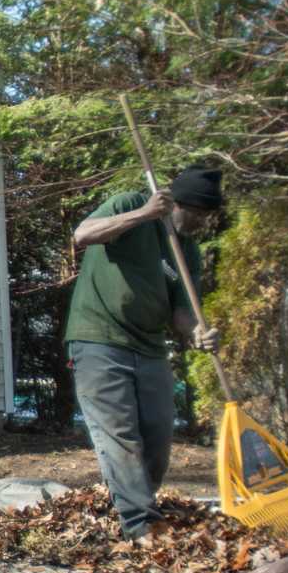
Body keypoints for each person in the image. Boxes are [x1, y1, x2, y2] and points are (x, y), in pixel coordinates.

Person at [63, 166, 225, 539]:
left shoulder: (186, 251)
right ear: (176, 204)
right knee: (121, 436)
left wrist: (197, 333)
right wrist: (144, 214)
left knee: (156, 440)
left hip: (150, 347)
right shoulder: (132, 204)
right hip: (98, 339)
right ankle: (141, 527)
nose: (202, 222)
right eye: (197, 214)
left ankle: (132, 507)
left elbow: (182, 310)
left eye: (208, 216)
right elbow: (83, 235)